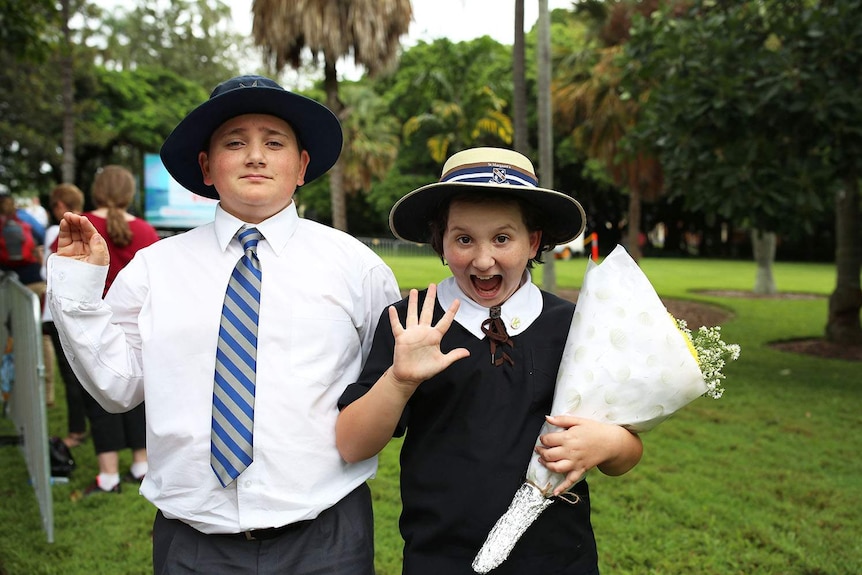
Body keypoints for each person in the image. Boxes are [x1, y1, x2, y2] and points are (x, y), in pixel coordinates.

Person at [47, 75, 400, 574]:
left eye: (273, 143)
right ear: (206, 166)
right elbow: (116, 388)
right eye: (235, 142)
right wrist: (80, 292)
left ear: (301, 166)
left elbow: (386, 383)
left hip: (325, 537)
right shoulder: (154, 269)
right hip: (193, 542)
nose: (255, 156)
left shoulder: (357, 269)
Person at [336, 147, 644, 575]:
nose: (483, 260)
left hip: (557, 558)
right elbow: (353, 445)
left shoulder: (574, 327)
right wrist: (399, 379)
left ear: (533, 241)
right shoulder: (410, 324)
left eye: (502, 238)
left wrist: (607, 443)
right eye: (463, 239)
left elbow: (628, 449)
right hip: (440, 558)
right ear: (440, 243)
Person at [74, 165, 159, 494]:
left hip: (94, 326)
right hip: (137, 325)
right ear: (129, 192)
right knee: (141, 393)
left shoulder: (81, 224)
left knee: (99, 397)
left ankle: (108, 474)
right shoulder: (146, 231)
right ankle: (141, 463)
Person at [41, 183, 89, 447]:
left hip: (59, 312)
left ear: (60, 205)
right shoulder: (92, 225)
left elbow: (45, 273)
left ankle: (77, 430)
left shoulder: (56, 230)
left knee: (71, 376)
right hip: (86, 312)